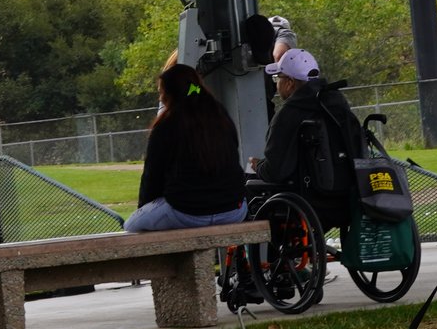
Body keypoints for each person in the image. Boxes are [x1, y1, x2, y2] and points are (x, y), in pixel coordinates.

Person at [126, 63, 247, 231]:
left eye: (161, 92)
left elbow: (152, 176)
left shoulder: (167, 124)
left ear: (170, 94)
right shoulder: (220, 115)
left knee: (131, 225)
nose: (160, 98)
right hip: (234, 210)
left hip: (186, 212)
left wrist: (145, 207)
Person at [252, 34, 360, 197]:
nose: (277, 83)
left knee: (248, 179)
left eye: (277, 78)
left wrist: (256, 165)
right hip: (349, 196)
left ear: (290, 83)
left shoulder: (288, 114)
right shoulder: (336, 103)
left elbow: (275, 171)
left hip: (308, 199)